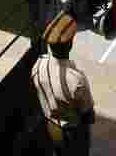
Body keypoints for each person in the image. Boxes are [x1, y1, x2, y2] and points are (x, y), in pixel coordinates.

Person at [33, 13, 95, 156]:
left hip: (52, 127)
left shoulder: (38, 65)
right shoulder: (77, 80)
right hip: (74, 133)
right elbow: (88, 115)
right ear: (70, 44)